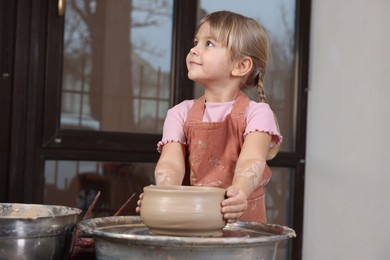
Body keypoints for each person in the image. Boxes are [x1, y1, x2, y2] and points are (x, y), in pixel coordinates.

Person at [137, 10, 281, 223]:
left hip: (242, 230)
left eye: (209, 43)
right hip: (193, 222)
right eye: (196, 42)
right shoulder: (179, 113)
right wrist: (163, 195)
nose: (194, 50)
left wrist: (240, 192)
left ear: (241, 65)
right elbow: (171, 163)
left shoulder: (257, 114)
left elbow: (252, 160)